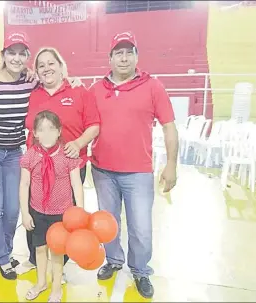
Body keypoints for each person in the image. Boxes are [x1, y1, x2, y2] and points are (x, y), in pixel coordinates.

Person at [0, 33, 83, 280]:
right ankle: (2, 258)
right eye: (11, 52)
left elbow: (52, 81)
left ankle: (8, 251)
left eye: (22, 53)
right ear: (3, 56)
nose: (16, 58)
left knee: (13, 209)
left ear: (26, 58)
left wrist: (73, 81)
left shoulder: (29, 82)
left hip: (14, 153)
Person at [89, 32, 179, 299]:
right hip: (102, 170)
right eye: (119, 52)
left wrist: (171, 165)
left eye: (129, 52)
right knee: (108, 222)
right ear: (110, 58)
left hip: (138, 172)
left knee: (141, 227)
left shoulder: (153, 87)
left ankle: (140, 269)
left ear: (137, 56)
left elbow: (169, 127)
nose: (124, 57)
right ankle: (114, 260)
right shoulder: (96, 89)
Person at [17, 47, 100, 277]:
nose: (46, 68)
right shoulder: (34, 94)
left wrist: (79, 143)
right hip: (38, 168)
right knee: (36, 213)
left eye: (51, 63)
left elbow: (94, 125)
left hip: (69, 167)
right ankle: (35, 259)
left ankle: (59, 264)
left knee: (63, 217)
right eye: (41, 65)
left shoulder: (79, 91)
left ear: (62, 66)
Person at [19, 110, 84, 302]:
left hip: (61, 214)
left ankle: (56, 288)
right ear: (35, 134)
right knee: (39, 249)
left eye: (51, 129)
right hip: (38, 212)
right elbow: (24, 185)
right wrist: (25, 213)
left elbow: (76, 184)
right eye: (41, 130)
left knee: (57, 252)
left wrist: (79, 211)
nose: (46, 134)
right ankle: (41, 282)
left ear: (59, 132)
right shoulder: (30, 156)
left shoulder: (67, 155)